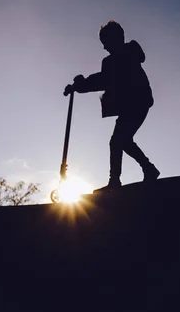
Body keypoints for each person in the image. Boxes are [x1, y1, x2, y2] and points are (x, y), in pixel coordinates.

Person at [64, 20, 160, 192]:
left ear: (116, 39)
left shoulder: (125, 55)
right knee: (122, 141)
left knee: (118, 141)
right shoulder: (116, 58)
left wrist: (81, 84)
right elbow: (104, 79)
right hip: (133, 105)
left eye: (106, 43)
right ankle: (147, 169)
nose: (104, 47)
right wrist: (79, 86)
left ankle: (117, 180)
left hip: (138, 102)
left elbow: (105, 79)